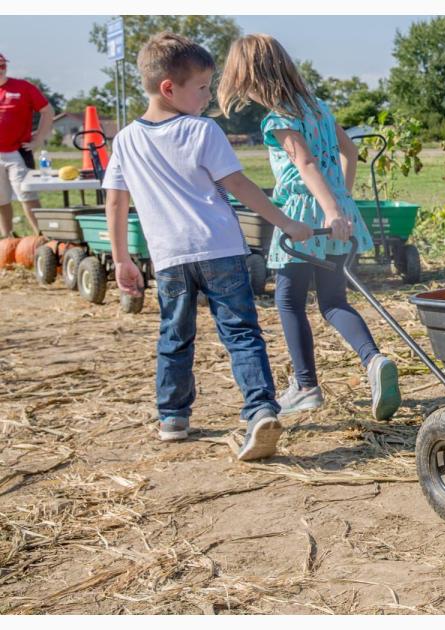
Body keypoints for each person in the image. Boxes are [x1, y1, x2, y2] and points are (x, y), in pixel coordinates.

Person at [102, 32, 313, 460]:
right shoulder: (202, 130)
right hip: (219, 249)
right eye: (201, 88)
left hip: (170, 258)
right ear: (169, 88)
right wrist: (285, 222)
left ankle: (173, 417)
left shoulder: (125, 139)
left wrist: (122, 257)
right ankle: (260, 410)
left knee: (174, 335)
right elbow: (237, 184)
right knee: (240, 332)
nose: (207, 97)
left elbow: (116, 201)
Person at [217, 33, 401, 421]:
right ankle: (373, 360)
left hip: (304, 218)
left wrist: (330, 209)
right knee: (334, 301)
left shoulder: (279, 119)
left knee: (288, 300)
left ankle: (305, 387)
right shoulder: (318, 107)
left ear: (253, 79)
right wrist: (341, 201)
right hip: (336, 216)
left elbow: (305, 165)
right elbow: (349, 153)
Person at [0, 51, 53, 237]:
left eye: (2, 64)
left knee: (27, 195)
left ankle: (41, 237)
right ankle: (7, 238)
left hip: (17, 153)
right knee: (1, 199)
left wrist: (38, 139)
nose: (0, 69)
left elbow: (47, 111)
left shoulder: (23, 87)